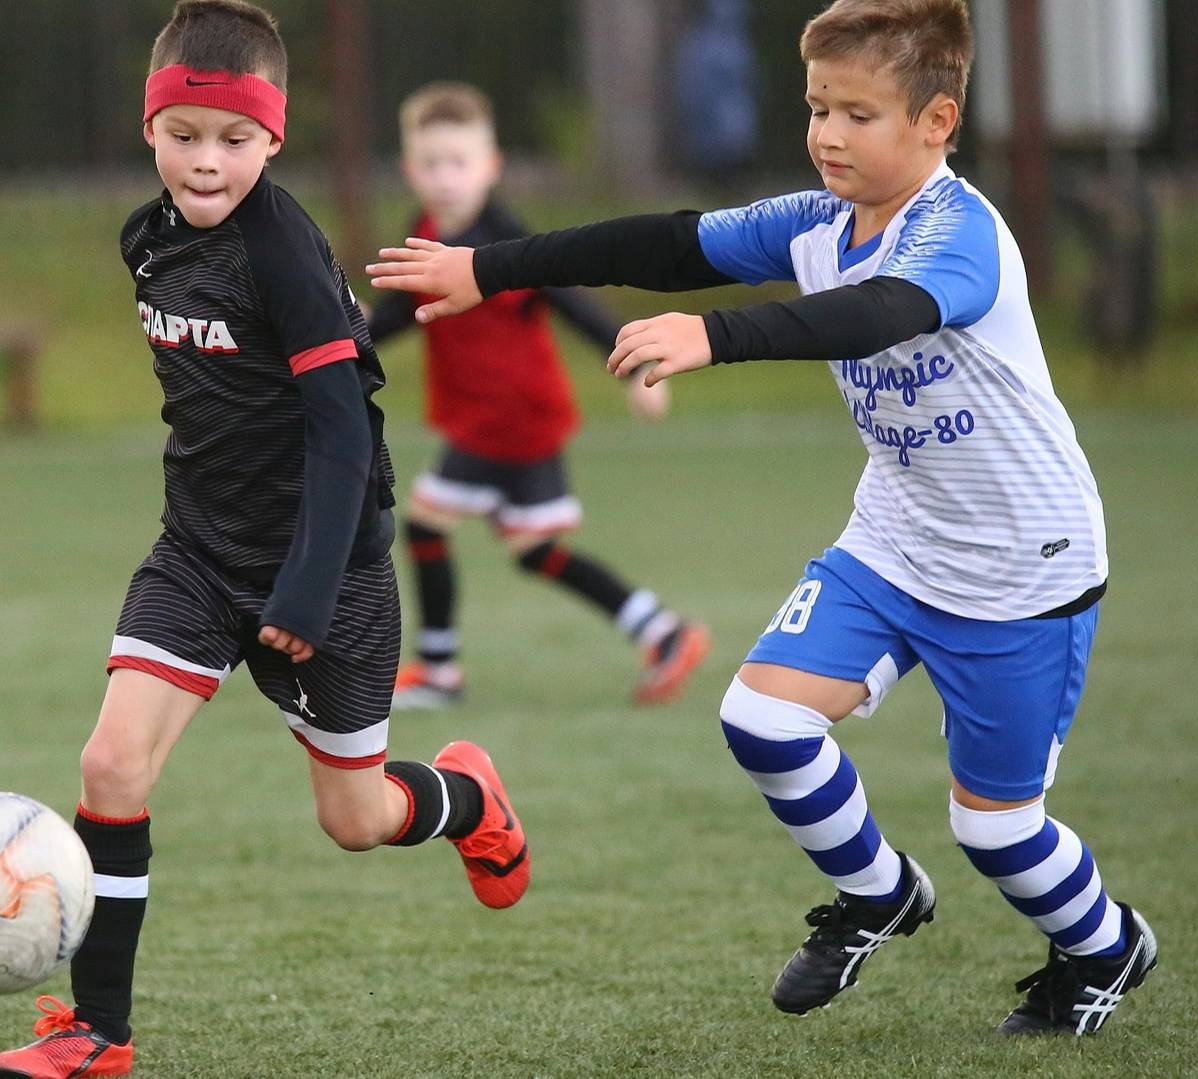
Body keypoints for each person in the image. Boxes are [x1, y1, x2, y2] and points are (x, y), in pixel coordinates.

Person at [368, 0, 1156, 1038]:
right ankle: (877, 891)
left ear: (937, 122)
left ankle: (1105, 945)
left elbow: (876, 313)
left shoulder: (958, 233)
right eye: (818, 107)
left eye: (859, 115)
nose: (829, 133)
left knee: (996, 829)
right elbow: (668, 243)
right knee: (762, 719)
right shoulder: (818, 217)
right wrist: (486, 266)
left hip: (1024, 565)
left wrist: (715, 338)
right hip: (897, 536)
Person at [0, 4, 530, 1075]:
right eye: (184, 134)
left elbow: (341, 428)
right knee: (111, 762)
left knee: (356, 819)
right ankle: (98, 1032)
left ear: (273, 139)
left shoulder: (283, 255)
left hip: (326, 571)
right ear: (149, 127)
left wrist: (308, 588)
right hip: (197, 553)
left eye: (234, 139)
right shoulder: (145, 240)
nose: (206, 160)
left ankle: (468, 797)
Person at [369, 81, 711, 710]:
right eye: (431, 163)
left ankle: (440, 671)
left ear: (491, 167)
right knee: (534, 551)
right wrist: (343, 346)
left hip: (511, 416)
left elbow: (569, 299)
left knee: (424, 522)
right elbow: (401, 312)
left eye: (459, 162)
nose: (445, 178)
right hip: (491, 416)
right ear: (409, 169)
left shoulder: (505, 241)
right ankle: (662, 632)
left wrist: (633, 364)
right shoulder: (425, 231)